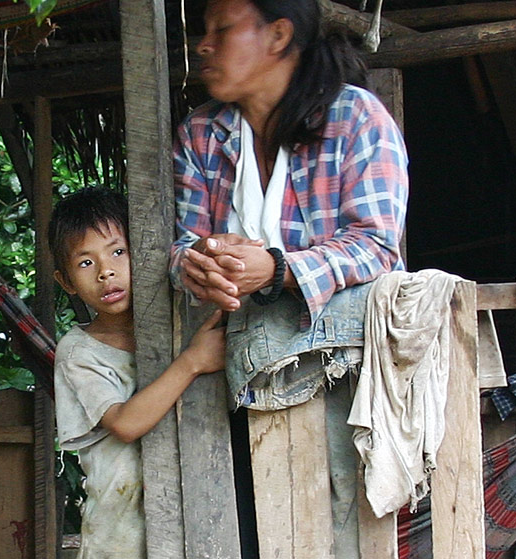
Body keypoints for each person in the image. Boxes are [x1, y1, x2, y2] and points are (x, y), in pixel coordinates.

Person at [170, 0, 409, 556]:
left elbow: (376, 244)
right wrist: (200, 263)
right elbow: (183, 243)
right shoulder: (204, 133)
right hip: (238, 366)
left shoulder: (355, 118)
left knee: (344, 527)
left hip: (342, 371)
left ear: (278, 35)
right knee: (252, 532)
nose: (204, 44)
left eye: (222, 30)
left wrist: (278, 268)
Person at [50, 187, 226, 559]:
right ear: (65, 282)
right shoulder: (79, 352)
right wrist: (193, 361)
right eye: (85, 263)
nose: (105, 271)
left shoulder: (182, 325)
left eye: (118, 252)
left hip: (192, 521)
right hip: (119, 538)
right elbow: (125, 424)